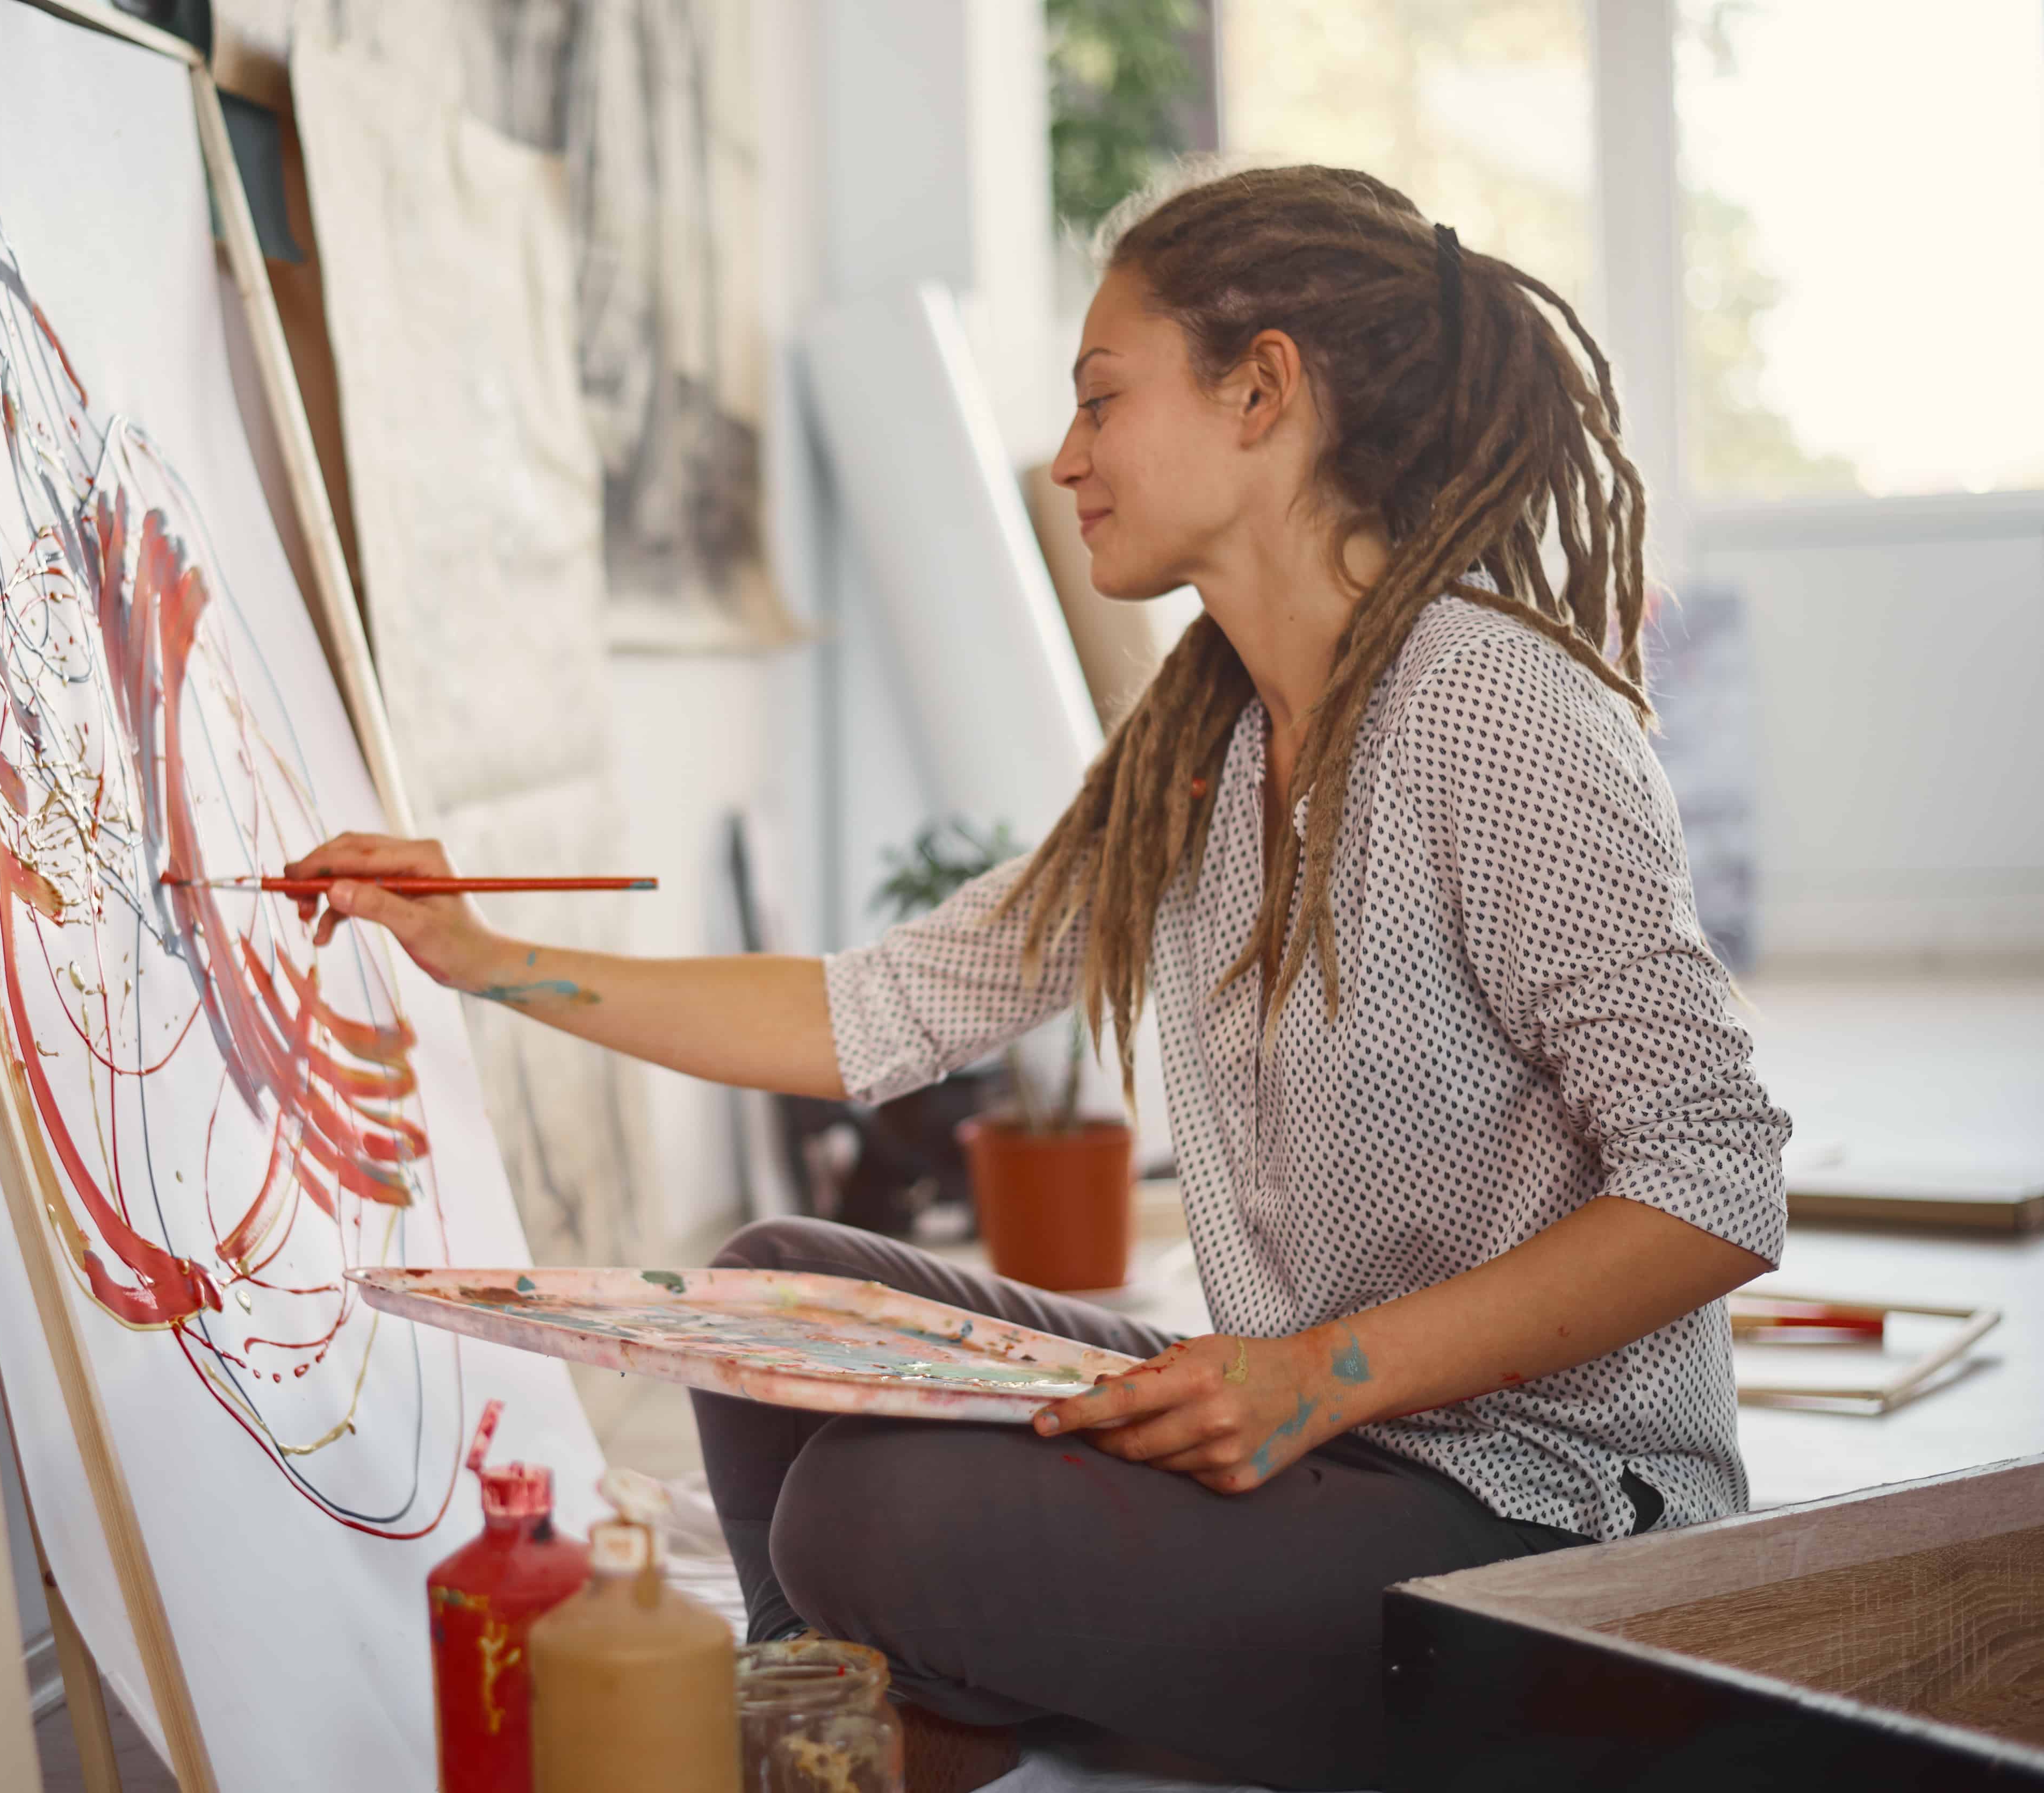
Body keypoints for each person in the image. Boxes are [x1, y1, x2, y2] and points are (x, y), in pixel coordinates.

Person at [286, 165, 1790, 1791]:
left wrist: (1317, 1373)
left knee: (864, 1515)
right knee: (763, 1290)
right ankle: (882, 1734)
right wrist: (482, 958)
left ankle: (907, 1718)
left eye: (1099, 400)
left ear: (1263, 391)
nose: (1066, 459)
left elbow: (1717, 1179)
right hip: (1324, 1455)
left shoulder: (1491, 709)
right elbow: (868, 1010)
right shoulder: (1204, 742)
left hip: (1539, 1534)